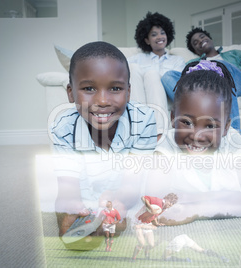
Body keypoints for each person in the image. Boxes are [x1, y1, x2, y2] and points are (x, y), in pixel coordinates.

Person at [50, 41, 158, 250]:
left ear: (128, 92)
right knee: (65, 214)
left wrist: (120, 203)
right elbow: (67, 187)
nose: (102, 100)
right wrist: (71, 210)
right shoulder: (63, 127)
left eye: (115, 88)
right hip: (85, 191)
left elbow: (132, 182)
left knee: (136, 208)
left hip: (127, 186)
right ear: (71, 93)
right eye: (89, 88)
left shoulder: (143, 120)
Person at [152, 60, 241, 221]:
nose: (197, 136)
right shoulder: (165, 144)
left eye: (210, 126)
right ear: (173, 118)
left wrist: (197, 207)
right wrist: (227, 199)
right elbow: (156, 199)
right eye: (186, 122)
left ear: (226, 127)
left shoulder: (233, 139)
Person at [161, 27, 241, 133]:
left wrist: (224, 70)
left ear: (210, 38)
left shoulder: (234, 53)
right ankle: (196, 105)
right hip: (206, 87)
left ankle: (234, 134)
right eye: (195, 42)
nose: (200, 41)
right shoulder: (193, 63)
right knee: (168, 76)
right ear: (195, 50)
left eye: (202, 37)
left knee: (221, 66)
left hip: (237, 82)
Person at [128, 12, 186, 137]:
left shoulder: (177, 60)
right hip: (141, 97)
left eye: (162, 33)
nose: (159, 37)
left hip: (166, 96)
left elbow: (178, 84)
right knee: (131, 67)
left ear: (168, 35)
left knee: (152, 74)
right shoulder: (137, 58)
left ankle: (160, 133)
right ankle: (139, 127)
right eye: (154, 35)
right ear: (147, 40)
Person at [132, 193, 178, 261]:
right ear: (166, 198)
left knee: (151, 245)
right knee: (142, 243)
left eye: (173, 203)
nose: (171, 204)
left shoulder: (164, 208)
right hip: (137, 222)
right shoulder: (158, 201)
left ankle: (146, 251)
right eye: (170, 201)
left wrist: (157, 223)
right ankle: (133, 258)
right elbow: (143, 198)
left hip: (147, 224)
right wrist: (150, 208)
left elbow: (155, 215)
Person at [163, 234, 229, 263]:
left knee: (165, 257)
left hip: (177, 240)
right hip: (184, 236)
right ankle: (221, 257)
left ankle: (185, 260)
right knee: (201, 250)